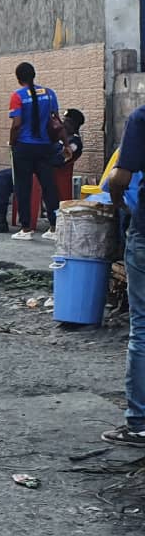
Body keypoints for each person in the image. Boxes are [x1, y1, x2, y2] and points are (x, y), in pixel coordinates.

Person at [0, 109, 84, 232]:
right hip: (30, 167)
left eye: (67, 122)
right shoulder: (58, 137)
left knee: (1, 180)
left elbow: (57, 161)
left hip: (42, 174)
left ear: (75, 125)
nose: (63, 124)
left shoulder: (74, 143)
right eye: (63, 120)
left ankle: (0, 221)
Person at [103, 104, 145, 446]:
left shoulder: (141, 117)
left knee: (143, 328)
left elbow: (120, 177)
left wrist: (118, 201)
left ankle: (140, 423)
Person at [8, 62, 69, 240]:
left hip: (24, 147)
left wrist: (12, 143)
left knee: (23, 188)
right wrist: (66, 144)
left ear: (18, 78)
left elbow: (16, 124)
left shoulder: (17, 96)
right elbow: (57, 122)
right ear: (34, 75)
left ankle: (26, 229)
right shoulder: (49, 94)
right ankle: (54, 227)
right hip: (46, 147)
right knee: (49, 186)